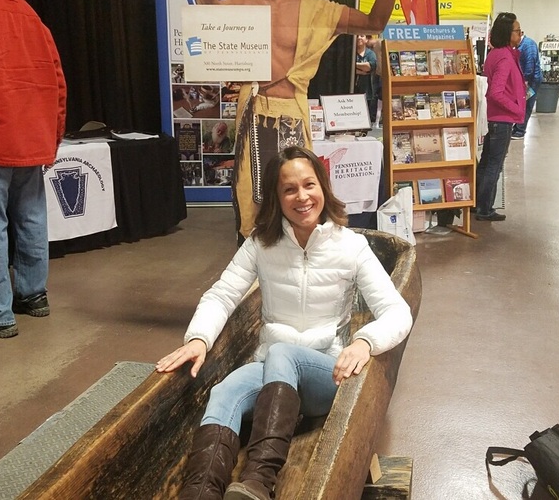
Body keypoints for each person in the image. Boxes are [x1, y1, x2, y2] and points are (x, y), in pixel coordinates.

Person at [156, 146, 413, 500]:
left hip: (326, 374)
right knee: (224, 391)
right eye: (289, 189)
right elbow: (222, 294)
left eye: (309, 185)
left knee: (284, 353)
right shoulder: (261, 244)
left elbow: (398, 313)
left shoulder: (351, 247)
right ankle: (200, 492)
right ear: (277, 198)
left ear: (323, 187)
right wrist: (199, 338)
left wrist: (364, 341)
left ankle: (258, 482)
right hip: (271, 372)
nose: (302, 197)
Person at [179, 0, 418, 243]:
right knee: (255, 207)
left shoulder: (316, 11)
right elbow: (212, 22)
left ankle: (299, 268)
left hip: (293, 116)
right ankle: (256, 270)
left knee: (300, 204)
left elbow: (374, 22)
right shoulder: (241, 4)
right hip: (254, 118)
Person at [0, 0, 67, 339]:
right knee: (32, 217)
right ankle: (33, 295)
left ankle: (0, 313)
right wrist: (53, 138)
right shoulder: (31, 16)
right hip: (31, 138)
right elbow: (58, 82)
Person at [476, 12, 525, 222]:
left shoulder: (496, 54)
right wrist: (516, 109)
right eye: (517, 31)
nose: (520, 34)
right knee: (493, 166)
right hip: (502, 119)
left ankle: (477, 204)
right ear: (507, 33)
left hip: (494, 118)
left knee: (486, 162)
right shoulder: (504, 57)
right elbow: (496, 92)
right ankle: (484, 209)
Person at [511, 32, 542, 140]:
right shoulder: (520, 45)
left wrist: (525, 80)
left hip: (532, 80)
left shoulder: (529, 45)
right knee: (521, 104)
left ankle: (520, 131)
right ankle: (517, 128)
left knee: (526, 105)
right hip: (525, 79)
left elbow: (530, 64)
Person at [355, 34, 378, 124]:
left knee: (365, 118)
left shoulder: (370, 54)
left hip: (367, 90)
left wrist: (354, 65)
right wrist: (360, 71)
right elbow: (345, 67)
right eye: (357, 36)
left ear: (366, 40)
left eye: (362, 36)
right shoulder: (351, 52)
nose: (359, 38)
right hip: (352, 91)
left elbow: (369, 67)